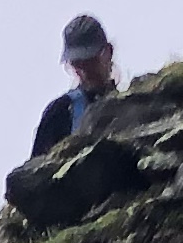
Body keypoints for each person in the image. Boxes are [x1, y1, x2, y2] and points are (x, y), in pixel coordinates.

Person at [30, 14, 119, 158]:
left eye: (90, 60)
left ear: (108, 52)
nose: (83, 70)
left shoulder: (129, 104)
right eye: (77, 63)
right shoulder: (60, 113)